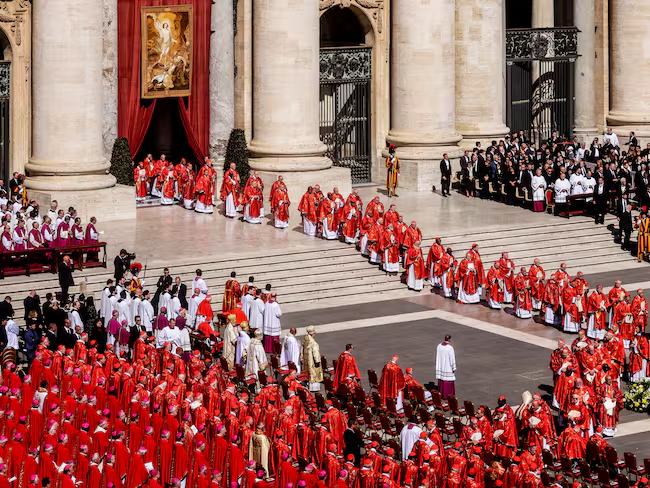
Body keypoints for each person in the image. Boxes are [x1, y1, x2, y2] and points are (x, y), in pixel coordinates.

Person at [302, 326, 323, 392]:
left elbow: (301, 349)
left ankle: (307, 383)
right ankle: (314, 387)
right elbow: (316, 353)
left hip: (306, 360)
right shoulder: (313, 343)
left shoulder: (305, 340)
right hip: (312, 362)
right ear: (313, 334)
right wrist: (318, 361)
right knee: (314, 373)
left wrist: (301, 357)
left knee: (308, 372)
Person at [435, 335, 456, 399]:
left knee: (442, 379)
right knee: (447, 380)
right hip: (447, 367)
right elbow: (452, 358)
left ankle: (441, 393)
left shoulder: (439, 346)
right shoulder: (450, 348)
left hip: (441, 366)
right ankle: (447, 395)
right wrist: (453, 367)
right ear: (449, 340)